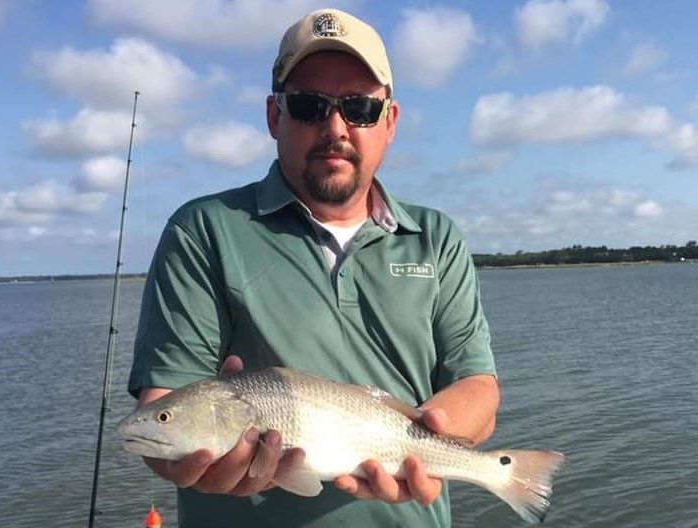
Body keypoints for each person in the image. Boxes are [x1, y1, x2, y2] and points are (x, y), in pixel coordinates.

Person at [127, 7, 499, 527]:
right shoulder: (204, 229)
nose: (335, 127)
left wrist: (424, 434)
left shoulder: (437, 239)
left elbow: (478, 385)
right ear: (274, 116)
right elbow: (164, 404)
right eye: (308, 105)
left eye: (359, 108)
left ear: (389, 121)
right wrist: (186, 461)